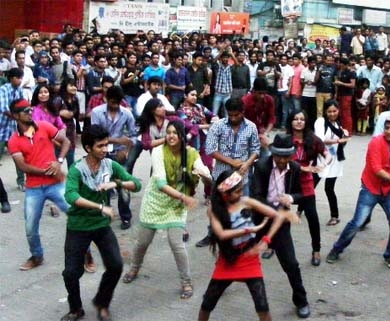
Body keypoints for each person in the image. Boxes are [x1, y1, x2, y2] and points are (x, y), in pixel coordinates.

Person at [60, 125, 141, 321]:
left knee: (115, 266)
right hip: (78, 226)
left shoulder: (110, 165)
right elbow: (71, 196)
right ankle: (76, 308)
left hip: (101, 226)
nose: (106, 149)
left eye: (106, 145)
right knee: (71, 273)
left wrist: (117, 183)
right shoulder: (77, 169)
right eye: (100, 146)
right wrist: (100, 207)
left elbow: (136, 184)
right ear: (88, 148)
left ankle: (102, 302)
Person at [122, 120, 211, 299]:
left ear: (181, 136)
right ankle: (134, 268)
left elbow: (206, 175)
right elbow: (161, 184)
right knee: (143, 242)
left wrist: (205, 177)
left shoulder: (191, 153)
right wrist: (184, 198)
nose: (170, 136)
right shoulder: (158, 151)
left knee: (177, 244)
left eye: (175, 133)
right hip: (156, 200)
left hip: (175, 204)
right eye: (168, 132)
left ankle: (186, 281)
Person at [326, 114, 390, 269]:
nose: (389, 131)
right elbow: (376, 169)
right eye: (387, 128)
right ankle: (336, 249)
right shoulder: (375, 142)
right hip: (370, 187)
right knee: (357, 222)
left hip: (388, 190)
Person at [197, 170, 285, 321]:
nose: (241, 193)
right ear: (225, 194)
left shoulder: (246, 202)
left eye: (241, 189)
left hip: (249, 259)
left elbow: (277, 216)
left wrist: (266, 240)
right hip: (227, 260)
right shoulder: (214, 209)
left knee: (262, 306)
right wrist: (249, 229)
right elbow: (222, 234)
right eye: (236, 191)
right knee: (207, 304)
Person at [250, 134, 311, 318]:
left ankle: (301, 301)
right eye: (279, 156)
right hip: (259, 219)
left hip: (280, 224)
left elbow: (302, 194)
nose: (283, 160)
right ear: (273, 153)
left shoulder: (295, 168)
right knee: (238, 253)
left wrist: (291, 198)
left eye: (286, 157)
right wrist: (274, 210)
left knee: (291, 264)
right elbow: (256, 196)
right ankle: (218, 287)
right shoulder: (261, 166)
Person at [7, 98, 71, 270]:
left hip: (55, 184)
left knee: (76, 215)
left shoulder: (44, 126)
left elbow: (66, 141)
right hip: (34, 187)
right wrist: (47, 171)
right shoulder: (13, 140)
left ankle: (86, 254)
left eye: (30, 109)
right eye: (24, 111)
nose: (29, 113)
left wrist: (58, 161)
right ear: (15, 116)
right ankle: (37, 256)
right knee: (30, 227)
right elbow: (22, 166)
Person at [196, 97, 260, 247]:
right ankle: (212, 234)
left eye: (236, 115)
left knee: (243, 208)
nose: (233, 118)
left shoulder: (251, 127)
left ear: (242, 112)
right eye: (230, 115)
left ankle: (243, 237)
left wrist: (247, 164)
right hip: (221, 174)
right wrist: (232, 162)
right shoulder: (217, 126)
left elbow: (255, 149)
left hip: (242, 176)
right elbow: (211, 149)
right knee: (217, 207)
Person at [286, 110, 332, 266]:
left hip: (306, 183)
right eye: (295, 119)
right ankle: (272, 245)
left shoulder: (313, 140)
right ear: (290, 121)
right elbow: (280, 161)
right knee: (278, 215)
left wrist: (325, 163)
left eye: (302, 119)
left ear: (306, 122)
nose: (299, 122)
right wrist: (303, 168)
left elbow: (327, 154)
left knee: (312, 217)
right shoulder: (285, 139)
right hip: (287, 182)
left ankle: (316, 250)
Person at [91, 86, 137, 230]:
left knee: (124, 185)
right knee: (103, 185)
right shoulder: (97, 112)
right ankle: (105, 214)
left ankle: (125, 217)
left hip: (120, 154)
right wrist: (118, 141)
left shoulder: (127, 114)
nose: (115, 106)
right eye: (112, 102)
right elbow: (95, 136)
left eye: (118, 102)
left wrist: (127, 150)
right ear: (106, 99)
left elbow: (133, 136)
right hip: (101, 154)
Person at [313, 100, 350, 226]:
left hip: (335, 161)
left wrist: (343, 138)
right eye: (329, 111)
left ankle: (335, 216)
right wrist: (339, 140)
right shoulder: (321, 122)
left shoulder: (339, 125)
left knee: (329, 188)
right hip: (320, 158)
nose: (332, 113)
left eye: (334, 111)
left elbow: (343, 143)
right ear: (325, 111)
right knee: (310, 186)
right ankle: (301, 210)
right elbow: (320, 139)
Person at [177, 88, 218, 200]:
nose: (195, 97)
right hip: (191, 144)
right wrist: (208, 126)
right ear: (185, 96)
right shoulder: (181, 111)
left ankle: (208, 194)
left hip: (205, 141)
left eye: (196, 95)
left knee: (208, 168)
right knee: (191, 171)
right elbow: (189, 125)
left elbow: (212, 114)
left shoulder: (200, 107)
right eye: (192, 94)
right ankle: (190, 193)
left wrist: (215, 118)